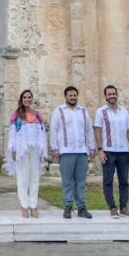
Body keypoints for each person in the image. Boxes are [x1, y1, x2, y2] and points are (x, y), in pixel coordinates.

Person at [50, 86, 96, 219]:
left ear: (77, 96)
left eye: (75, 95)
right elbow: (54, 130)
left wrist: (92, 147)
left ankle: (82, 208)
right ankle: (68, 207)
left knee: (81, 182)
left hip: (82, 151)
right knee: (67, 181)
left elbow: (89, 130)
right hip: (66, 152)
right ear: (65, 97)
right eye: (70, 95)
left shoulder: (83, 111)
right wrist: (55, 149)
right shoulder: (59, 111)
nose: (72, 97)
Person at [94, 85, 129, 219]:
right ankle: (112, 208)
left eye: (114, 94)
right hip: (108, 151)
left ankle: (124, 207)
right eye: (109, 94)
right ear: (105, 96)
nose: (112, 96)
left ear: (117, 95)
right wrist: (100, 150)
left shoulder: (124, 111)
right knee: (108, 181)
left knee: (124, 181)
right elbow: (98, 130)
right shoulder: (101, 111)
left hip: (123, 151)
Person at [5, 89, 47, 218]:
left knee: (34, 176)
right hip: (21, 149)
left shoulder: (37, 114)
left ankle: (33, 205)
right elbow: (13, 133)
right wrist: (13, 149)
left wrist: (42, 150)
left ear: (32, 99)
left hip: (34, 148)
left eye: (29, 97)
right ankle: (24, 205)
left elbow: (42, 132)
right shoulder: (17, 115)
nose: (27, 99)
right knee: (23, 177)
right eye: (25, 97)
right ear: (21, 99)